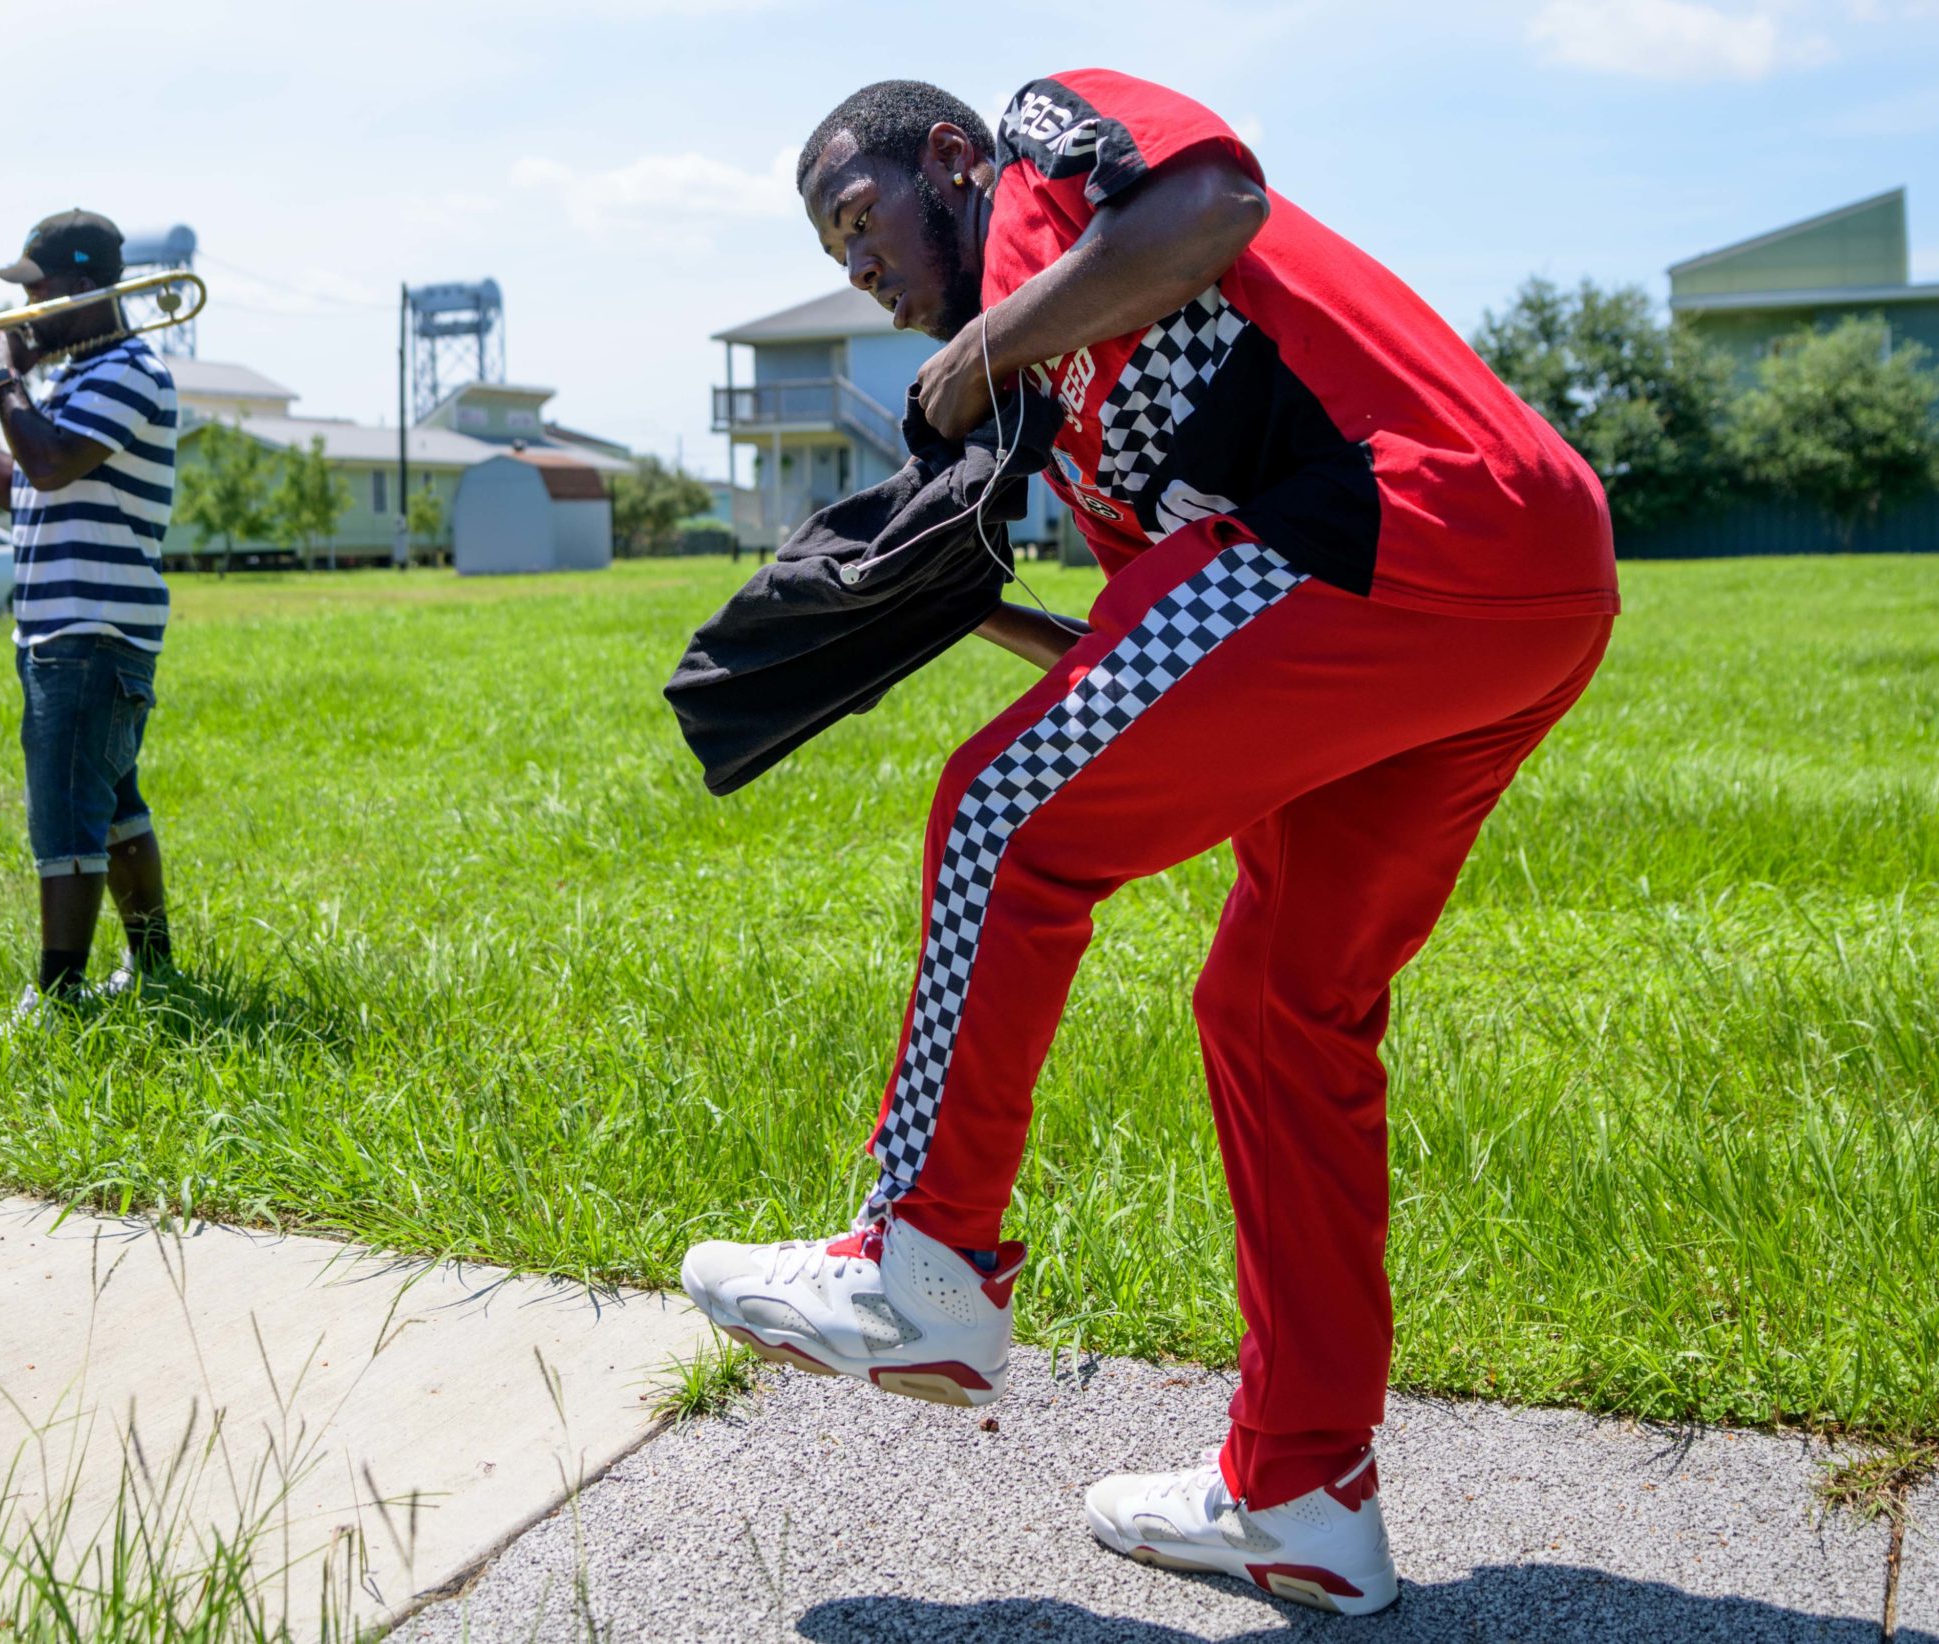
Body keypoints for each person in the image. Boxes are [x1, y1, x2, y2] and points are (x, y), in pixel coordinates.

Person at [679, 75, 1620, 1616]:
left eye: (862, 219)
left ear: (950, 159)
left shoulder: (1051, 150)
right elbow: (1169, 658)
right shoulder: (1063, 414)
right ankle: (1302, 1490)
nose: (862, 268)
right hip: (1495, 589)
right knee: (1277, 1007)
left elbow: (1213, 204)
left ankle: (923, 1260)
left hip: (1403, 515)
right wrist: (956, 604)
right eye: (836, 255)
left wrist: (981, 352)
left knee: (999, 815)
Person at [0, 210, 181, 1027]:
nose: (23, 311)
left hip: (92, 629)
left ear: (82, 289)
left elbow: (48, 463)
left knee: (65, 814)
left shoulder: (130, 372)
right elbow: (22, 485)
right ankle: (154, 969)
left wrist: (0, 377)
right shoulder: (74, 380)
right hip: (65, 628)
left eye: (37, 292)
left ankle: (58, 1002)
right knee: (112, 805)